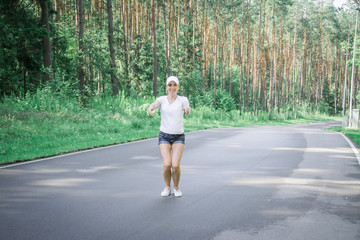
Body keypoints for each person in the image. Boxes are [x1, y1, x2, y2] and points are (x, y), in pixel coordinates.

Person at [147, 76, 191, 197]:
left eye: (174, 85)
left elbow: (186, 105)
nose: (172, 88)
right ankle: (167, 187)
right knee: (167, 164)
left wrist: (187, 108)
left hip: (178, 137)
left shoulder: (182, 99)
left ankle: (176, 188)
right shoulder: (162, 99)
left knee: (175, 165)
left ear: (178, 87)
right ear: (167, 87)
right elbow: (155, 104)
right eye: (170, 85)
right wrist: (150, 107)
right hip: (164, 136)